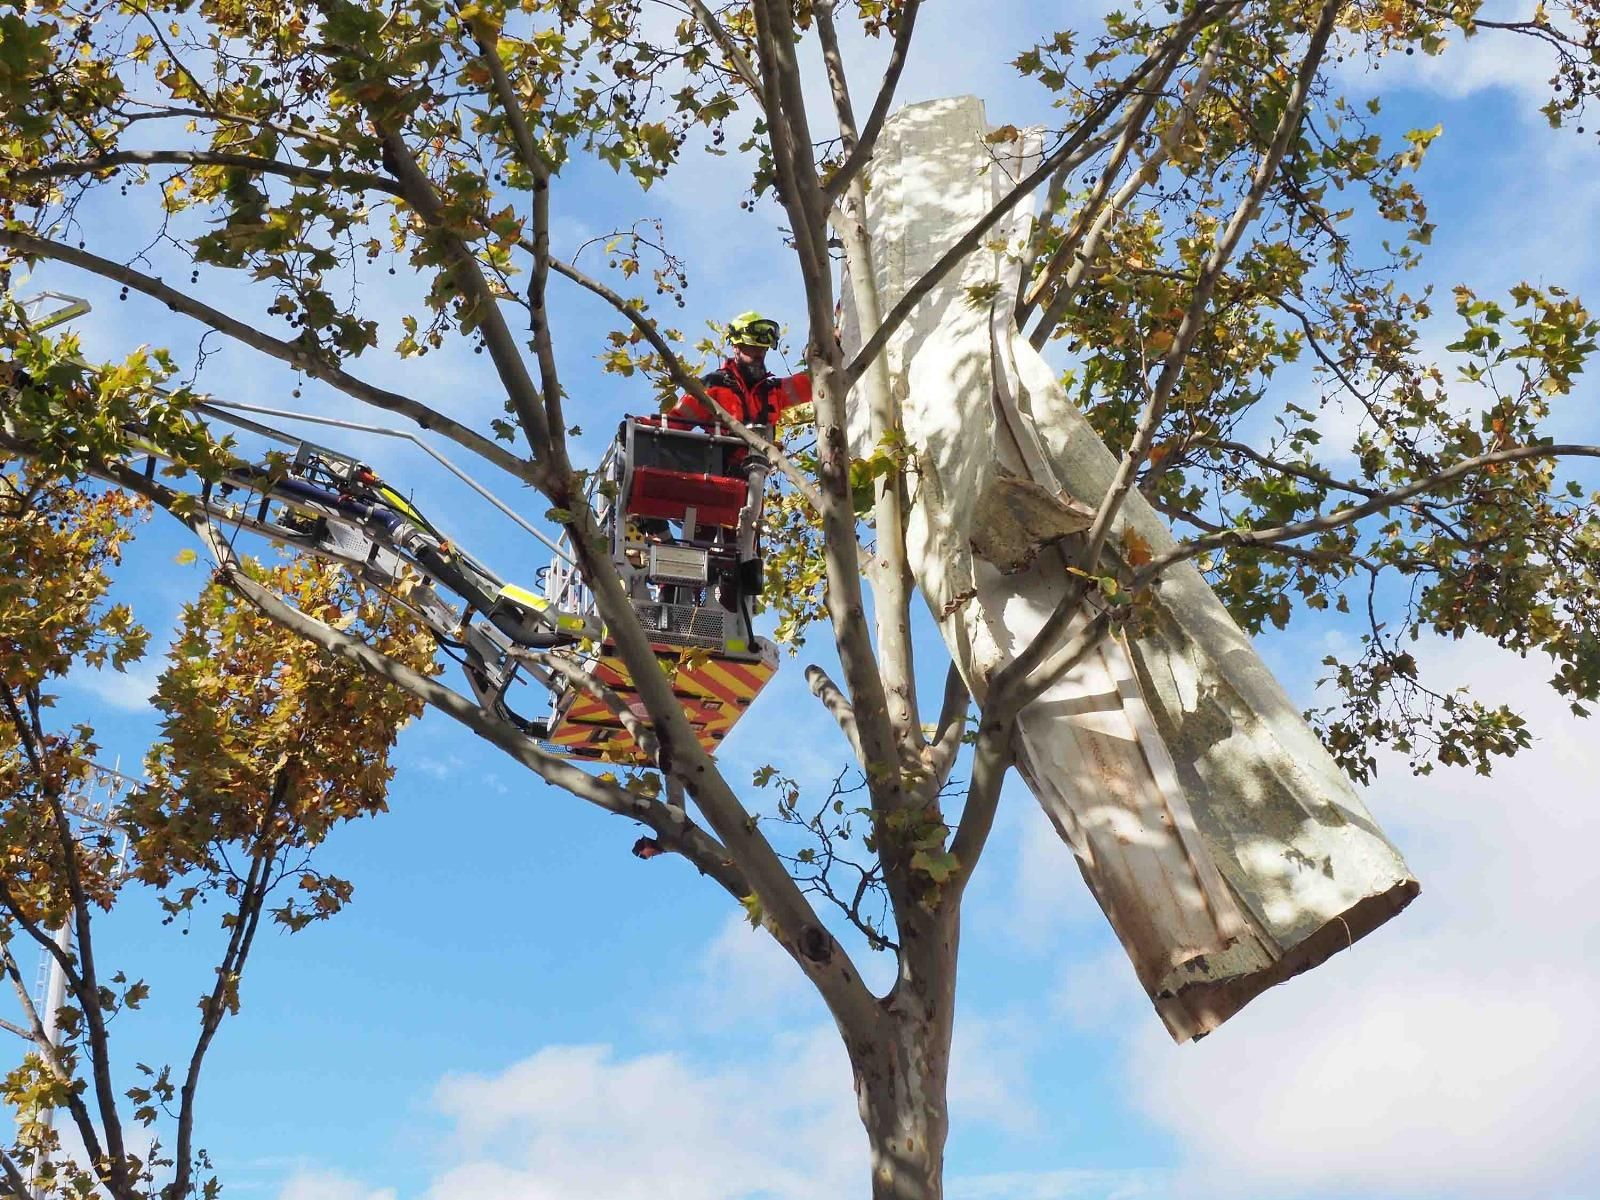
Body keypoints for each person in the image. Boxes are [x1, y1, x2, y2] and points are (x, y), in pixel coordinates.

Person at [664, 311, 812, 433]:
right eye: (753, 347)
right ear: (736, 347)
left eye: (763, 349)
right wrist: (643, 424)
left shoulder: (773, 391)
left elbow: (817, 382)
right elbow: (675, 422)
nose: (759, 354)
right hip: (722, 467)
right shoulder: (713, 385)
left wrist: (833, 342)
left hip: (761, 466)